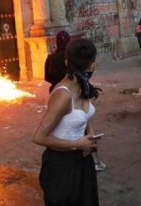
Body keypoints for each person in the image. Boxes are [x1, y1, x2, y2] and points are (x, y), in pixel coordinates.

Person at [33, 38, 101, 205]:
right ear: (92, 65)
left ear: (66, 61)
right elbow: (39, 137)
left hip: (83, 162)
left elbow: (84, 118)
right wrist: (78, 144)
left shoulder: (83, 86)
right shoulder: (63, 94)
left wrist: (90, 134)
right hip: (61, 167)